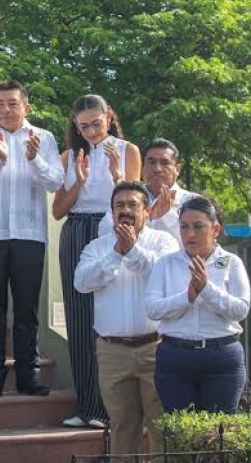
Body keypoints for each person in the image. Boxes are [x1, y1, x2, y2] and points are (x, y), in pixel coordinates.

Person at [52, 94, 141, 428]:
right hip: (76, 229)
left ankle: (109, 409)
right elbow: (58, 210)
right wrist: (79, 180)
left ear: (109, 117)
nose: (90, 131)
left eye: (96, 123)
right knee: (78, 319)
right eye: (83, 125)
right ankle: (86, 405)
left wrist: (118, 176)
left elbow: (134, 201)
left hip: (110, 230)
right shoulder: (70, 156)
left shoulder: (127, 149)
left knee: (105, 316)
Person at [0, 80, 63, 397]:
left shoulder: (43, 138)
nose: (6, 109)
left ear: (26, 106)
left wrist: (35, 158)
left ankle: (29, 374)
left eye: (12, 103)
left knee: (26, 309)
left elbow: (55, 182)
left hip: (29, 235)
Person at [75, 182, 178, 455]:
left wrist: (132, 250)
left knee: (161, 425)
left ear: (147, 211)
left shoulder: (164, 242)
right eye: (119, 205)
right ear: (111, 212)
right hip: (112, 351)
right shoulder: (97, 247)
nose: (126, 210)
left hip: (155, 349)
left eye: (133, 205)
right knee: (122, 425)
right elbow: (81, 283)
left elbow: (165, 275)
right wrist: (116, 254)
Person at [146, 196, 250, 414]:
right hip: (176, 356)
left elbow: (241, 310)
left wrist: (207, 289)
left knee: (218, 434)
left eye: (198, 227)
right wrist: (187, 298)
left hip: (221, 357)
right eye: (184, 227)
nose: (190, 234)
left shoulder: (231, 262)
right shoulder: (166, 263)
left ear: (216, 230)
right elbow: (153, 309)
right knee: (180, 433)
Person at [98, 138, 199, 242]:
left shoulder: (192, 201)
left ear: (177, 169)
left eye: (165, 163)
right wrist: (146, 219)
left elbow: (194, 240)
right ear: (142, 166)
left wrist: (167, 216)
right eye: (151, 162)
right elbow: (103, 231)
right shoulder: (127, 198)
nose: (157, 169)